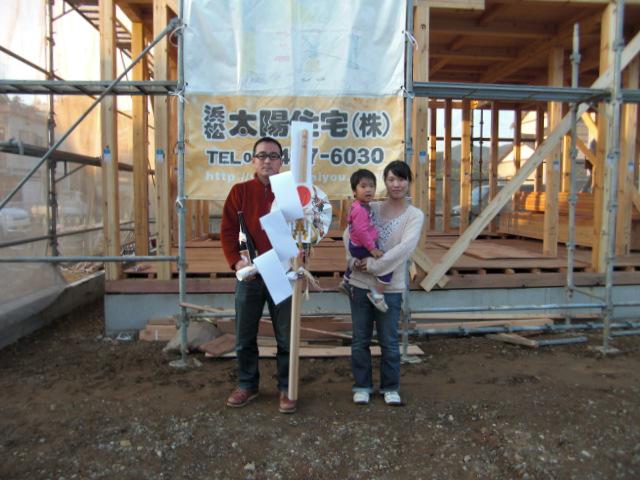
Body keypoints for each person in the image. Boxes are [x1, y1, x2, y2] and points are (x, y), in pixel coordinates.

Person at [220, 136, 296, 414]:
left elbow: (305, 229)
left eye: (273, 156)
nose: (267, 161)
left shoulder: (291, 193)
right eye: (262, 155)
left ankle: (287, 387)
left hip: (283, 272)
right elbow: (228, 231)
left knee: (286, 336)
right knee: (244, 335)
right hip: (251, 274)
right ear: (253, 160)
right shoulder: (240, 192)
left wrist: (301, 256)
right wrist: (236, 263)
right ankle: (247, 384)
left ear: (281, 161)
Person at [344, 160, 424, 406]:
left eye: (401, 179)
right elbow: (349, 233)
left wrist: (370, 265)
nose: (396, 184)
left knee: (389, 341)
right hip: (360, 284)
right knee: (360, 340)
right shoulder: (371, 207)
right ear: (385, 183)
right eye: (391, 179)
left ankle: (390, 387)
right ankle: (362, 386)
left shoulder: (414, 215)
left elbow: (403, 250)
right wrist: (351, 260)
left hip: (391, 288)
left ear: (409, 182)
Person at [341, 169, 391, 313]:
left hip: (356, 245)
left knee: (357, 262)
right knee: (388, 267)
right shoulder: (361, 210)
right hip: (362, 246)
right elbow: (361, 232)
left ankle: (346, 280)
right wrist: (372, 249)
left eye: (371, 186)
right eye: (363, 186)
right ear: (354, 191)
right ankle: (377, 295)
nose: (368, 190)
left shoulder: (359, 205)